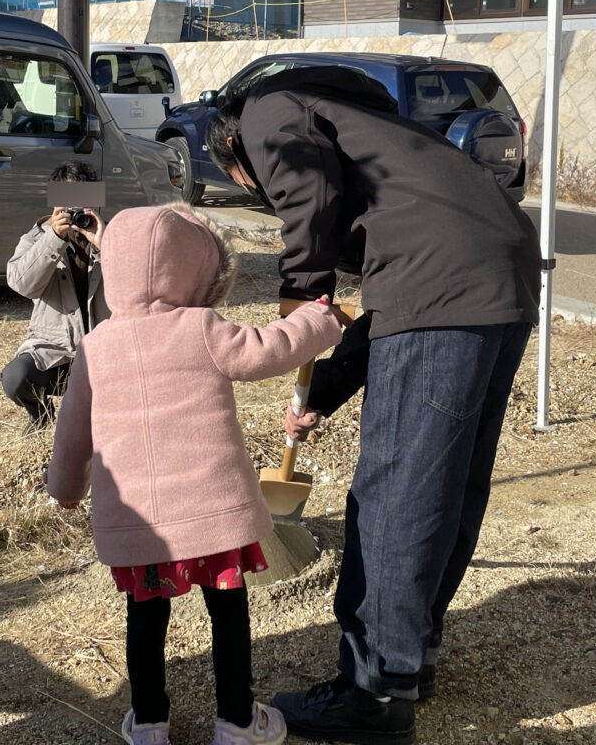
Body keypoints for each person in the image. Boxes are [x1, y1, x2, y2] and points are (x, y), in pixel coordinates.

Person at [205, 67, 541, 745]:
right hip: (502, 272)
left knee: (397, 495)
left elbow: (309, 198)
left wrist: (301, 303)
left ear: (235, 148)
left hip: (444, 281)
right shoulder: (380, 132)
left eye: (250, 184)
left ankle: (375, 692)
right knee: (447, 484)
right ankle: (413, 660)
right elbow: (395, 301)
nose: (262, 195)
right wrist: (322, 391)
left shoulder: (267, 109)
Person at [44, 204, 345, 745]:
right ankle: (236, 721)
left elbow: (73, 433)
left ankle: (150, 723)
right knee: (228, 613)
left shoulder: (95, 346)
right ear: (194, 270)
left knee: (146, 618)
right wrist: (317, 320)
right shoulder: (202, 327)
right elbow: (268, 350)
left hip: (140, 523)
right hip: (213, 516)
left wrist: (66, 488)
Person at [0, 160, 107, 431]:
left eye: (82, 200)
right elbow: (21, 284)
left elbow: (139, 285)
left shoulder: (109, 233)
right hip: (54, 350)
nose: (74, 209)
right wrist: (54, 238)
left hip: (103, 351)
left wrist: (106, 245)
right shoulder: (37, 237)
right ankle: (40, 414)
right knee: (15, 378)